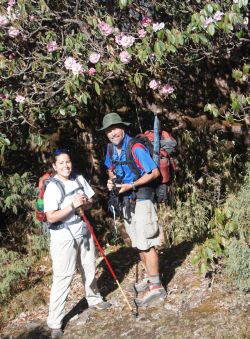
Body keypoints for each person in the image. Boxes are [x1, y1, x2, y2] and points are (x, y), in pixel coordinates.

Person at [98, 112, 167, 306]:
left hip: (142, 198)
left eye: (115, 128)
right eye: (109, 131)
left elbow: (153, 172)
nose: (113, 133)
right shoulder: (111, 149)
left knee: (146, 243)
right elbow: (110, 169)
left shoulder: (135, 147)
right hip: (126, 201)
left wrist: (132, 185)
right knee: (138, 242)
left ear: (123, 128)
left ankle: (157, 287)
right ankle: (149, 278)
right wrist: (112, 181)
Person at [44, 149, 111, 338]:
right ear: (54, 166)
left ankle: (94, 299)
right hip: (62, 237)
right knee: (63, 277)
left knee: (89, 267)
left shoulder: (78, 179)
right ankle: (55, 322)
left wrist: (84, 202)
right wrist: (72, 205)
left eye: (68, 162)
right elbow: (51, 217)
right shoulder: (53, 187)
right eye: (62, 163)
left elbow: (90, 201)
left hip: (82, 230)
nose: (66, 166)